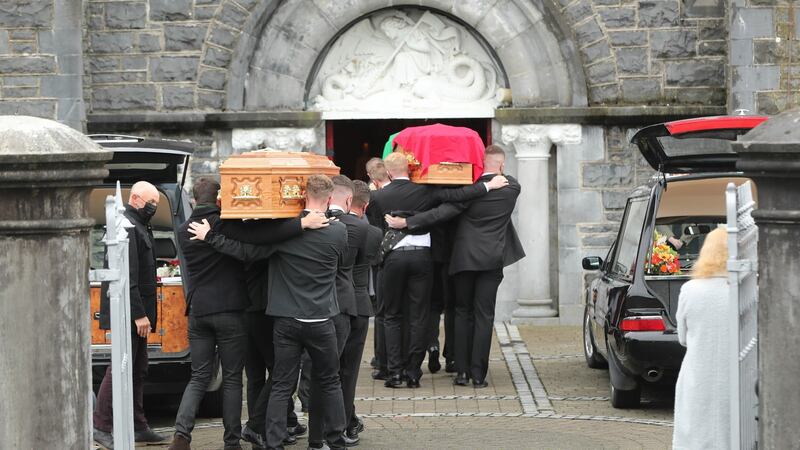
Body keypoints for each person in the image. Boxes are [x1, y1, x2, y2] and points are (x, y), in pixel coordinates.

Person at [189, 175, 349, 450]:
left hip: (286, 320)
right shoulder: (339, 231)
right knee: (330, 381)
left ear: (302, 196)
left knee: (281, 383)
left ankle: (274, 442)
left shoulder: (284, 234)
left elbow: (246, 249)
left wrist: (212, 236)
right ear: (330, 198)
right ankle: (335, 439)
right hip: (322, 318)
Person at [386, 144, 525, 388]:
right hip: (492, 259)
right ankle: (478, 375)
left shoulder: (466, 194)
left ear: (479, 165)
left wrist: (407, 223)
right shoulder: (511, 187)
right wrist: (486, 185)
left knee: (462, 312)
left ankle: (462, 372)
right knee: (484, 316)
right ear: (502, 165)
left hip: (463, 259)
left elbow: (440, 210)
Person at [94, 181, 166, 448]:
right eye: (151, 203)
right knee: (120, 368)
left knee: (138, 368)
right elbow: (128, 276)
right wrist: (138, 314)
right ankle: (101, 425)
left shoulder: (139, 225)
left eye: (156, 204)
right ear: (135, 198)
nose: (153, 207)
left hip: (136, 311)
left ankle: (138, 425)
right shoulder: (128, 227)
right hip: (129, 312)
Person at [672, 227, 730, 449]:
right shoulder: (746, 291)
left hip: (698, 372)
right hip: (733, 373)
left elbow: (683, 337)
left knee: (695, 434)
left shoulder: (690, 289)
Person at [341, 179, 381, 441]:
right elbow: (374, 260)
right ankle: (346, 420)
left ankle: (345, 418)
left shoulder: (331, 227)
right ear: (365, 206)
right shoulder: (373, 232)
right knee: (349, 371)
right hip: (359, 301)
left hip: (333, 302)